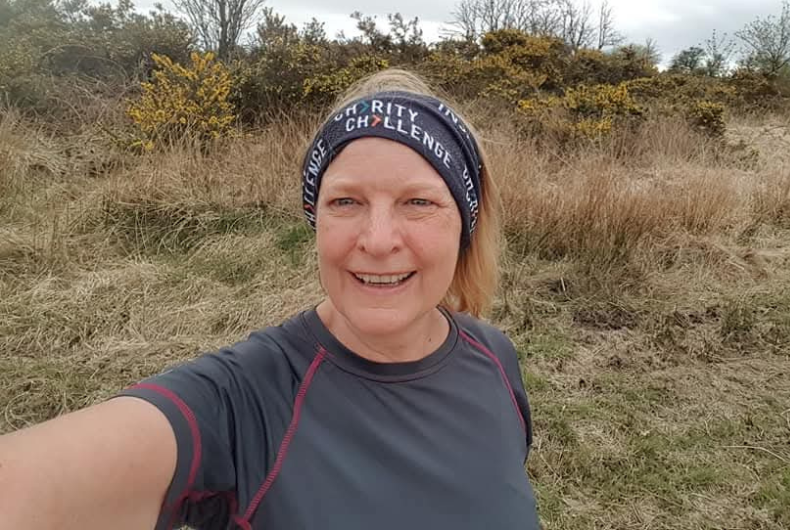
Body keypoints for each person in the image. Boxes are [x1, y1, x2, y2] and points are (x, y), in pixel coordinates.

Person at [0, 69, 539, 530]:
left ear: (464, 224)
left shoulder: (494, 358)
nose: (376, 240)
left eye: (418, 202)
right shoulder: (244, 402)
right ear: (315, 219)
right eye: (345, 201)